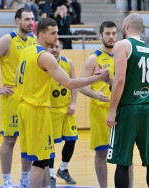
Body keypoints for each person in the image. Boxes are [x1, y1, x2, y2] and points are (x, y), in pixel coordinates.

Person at [17, 17, 109, 188]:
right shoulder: (44, 56)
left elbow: (17, 79)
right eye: (53, 33)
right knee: (39, 161)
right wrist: (98, 78)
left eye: (57, 32)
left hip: (24, 107)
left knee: (43, 159)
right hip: (36, 109)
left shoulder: (26, 51)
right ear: (42, 35)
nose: (57, 37)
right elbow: (70, 83)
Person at [106, 13, 149, 188]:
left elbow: (121, 80)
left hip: (130, 109)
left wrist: (112, 110)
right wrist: (109, 80)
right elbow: (134, 79)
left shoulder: (122, 45)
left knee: (122, 159)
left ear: (127, 26)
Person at [0, 8, 37, 188]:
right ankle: (7, 179)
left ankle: (25, 178)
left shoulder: (33, 40)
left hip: (30, 96)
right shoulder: (8, 39)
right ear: (17, 21)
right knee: (10, 139)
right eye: (27, 19)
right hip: (12, 95)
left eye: (32, 19)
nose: (31, 22)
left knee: (28, 140)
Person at [79, 21, 134, 188]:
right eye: (107, 34)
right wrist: (96, 94)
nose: (111, 37)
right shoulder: (93, 58)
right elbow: (81, 85)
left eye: (113, 33)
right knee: (101, 152)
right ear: (100, 35)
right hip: (100, 111)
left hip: (121, 110)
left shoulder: (123, 55)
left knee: (126, 153)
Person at [46, 40, 77, 188]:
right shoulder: (43, 63)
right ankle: (51, 174)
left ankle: (63, 169)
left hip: (66, 109)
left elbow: (75, 85)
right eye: (51, 47)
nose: (54, 49)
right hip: (51, 110)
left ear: (61, 48)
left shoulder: (68, 63)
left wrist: (73, 103)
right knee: (50, 144)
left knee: (72, 140)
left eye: (57, 47)